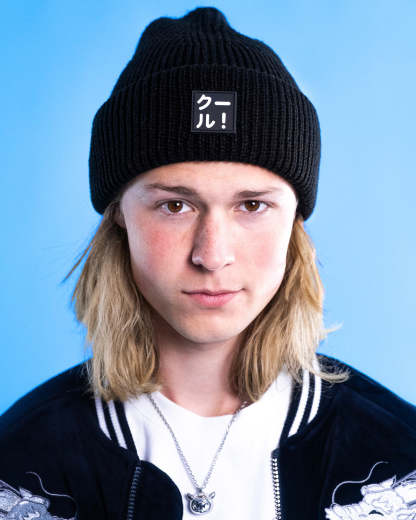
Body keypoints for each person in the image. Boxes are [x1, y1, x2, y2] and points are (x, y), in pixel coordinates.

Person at [0, 6, 415, 520]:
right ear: (119, 214)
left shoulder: (398, 460)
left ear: (295, 221)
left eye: (252, 205)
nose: (212, 255)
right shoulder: (21, 465)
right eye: (175, 205)